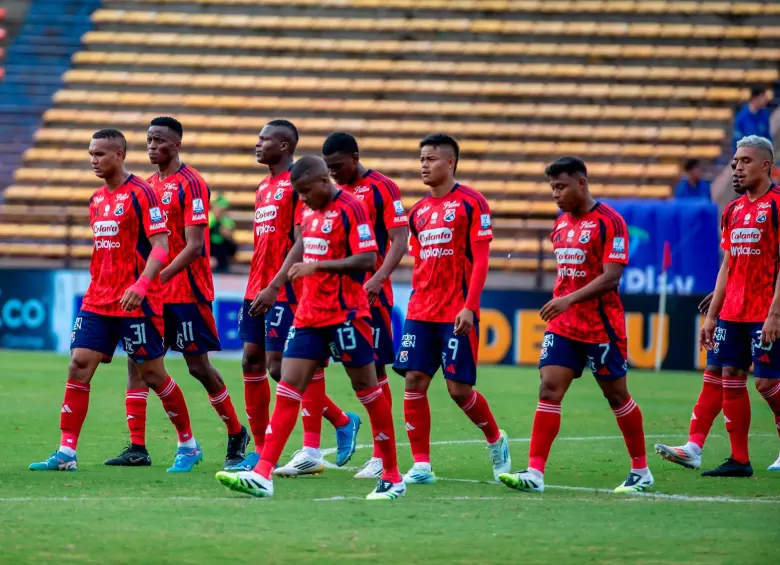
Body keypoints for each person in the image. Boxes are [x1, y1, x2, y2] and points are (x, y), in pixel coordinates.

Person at [216, 156, 405, 500]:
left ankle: (391, 473)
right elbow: (300, 247)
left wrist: (317, 268)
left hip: (346, 313)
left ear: (323, 182)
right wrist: (282, 282)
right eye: (298, 193)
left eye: (305, 192)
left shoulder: (353, 208)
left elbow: (366, 259)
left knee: (368, 390)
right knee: (288, 384)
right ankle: (263, 474)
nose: (301, 199)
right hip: (309, 315)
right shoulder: (308, 211)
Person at [30, 129, 198, 472]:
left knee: (152, 373)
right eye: (91, 154)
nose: (94, 160)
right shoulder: (96, 200)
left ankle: (188, 444)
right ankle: (66, 452)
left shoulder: (142, 193)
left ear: (119, 155)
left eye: (100, 154)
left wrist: (142, 283)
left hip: (136, 301)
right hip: (98, 300)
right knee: (78, 364)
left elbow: (162, 246)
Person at [499, 156, 653, 494]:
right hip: (565, 325)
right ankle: (535, 473)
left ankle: (641, 470)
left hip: (601, 326)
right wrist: (564, 303)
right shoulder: (560, 224)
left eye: (561, 186)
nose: (555, 193)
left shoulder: (610, 222)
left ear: (581, 183)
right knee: (549, 388)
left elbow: (612, 278)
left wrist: (568, 299)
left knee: (617, 396)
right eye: (552, 187)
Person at [103, 117, 248, 471]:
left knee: (198, 366)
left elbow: (195, 246)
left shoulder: (193, 183)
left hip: (187, 291)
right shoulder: (147, 186)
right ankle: (137, 446)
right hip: (153, 295)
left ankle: (236, 430)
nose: (153, 146)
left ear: (177, 144)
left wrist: (154, 278)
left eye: (160, 141)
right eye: (149, 140)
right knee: (138, 363)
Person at [225, 121, 361, 473]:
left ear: (284, 146)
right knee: (250, 362)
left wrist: (277, 283)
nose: (257, 144)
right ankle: (259, 449)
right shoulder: (263, 187)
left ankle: (338, 422)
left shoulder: (296, 185)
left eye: (264, 139)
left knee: (278, 367)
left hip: (284, 289)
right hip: (257, 285)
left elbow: (302, 241)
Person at [275, 132, 408, 479]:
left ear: (355, 157)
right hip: (319, 301)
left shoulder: (381, 188)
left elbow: (398, 239)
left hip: (365, 297)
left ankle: (382, 457)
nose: (335, 175)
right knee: (310, 367)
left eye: (338, 167)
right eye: (329, 170)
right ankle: (311, 449)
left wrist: (378, 278)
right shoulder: (322, 200)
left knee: (373, 373)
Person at [392, 134, 511, 485]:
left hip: (456, 311)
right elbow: (421, 263)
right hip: (420, 310)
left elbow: (482, 258)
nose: (424, 165)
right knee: (414, 380)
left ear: (450, 163)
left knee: (459, 389)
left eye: (431, 159)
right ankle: (421, 465)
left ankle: (495, 439)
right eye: (421, 160)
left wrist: (470, 307)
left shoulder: (472, 203)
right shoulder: (419, 212)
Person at [693, 135, 780, 477]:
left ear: (765, 165)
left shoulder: (776, 205)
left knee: (766, 384)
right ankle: (739, 459)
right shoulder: (732, 210)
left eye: (745, 161)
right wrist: (712, 315)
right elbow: (727, 265)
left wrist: (775, 313)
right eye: (734, 163)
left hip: (766, 310)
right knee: (730, 375)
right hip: (733, 311)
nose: (737, 168)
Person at [733, 87, 773, 152]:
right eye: (763, 96)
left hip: (761, 154)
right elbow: (737, 138)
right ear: (755, 98)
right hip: (746, 154)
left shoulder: (765, 115)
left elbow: (767, 136)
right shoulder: (742, 116)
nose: (765, 99)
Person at [209, 193, 237, 273]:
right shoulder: (206, 221)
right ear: (213, 207)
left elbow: (232, 250)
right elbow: (199, 243)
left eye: (223, 208)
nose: (220, 210)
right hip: (207, 259)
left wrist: (228, 238)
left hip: (222, 262)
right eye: (219, 207)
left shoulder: (228, 223)